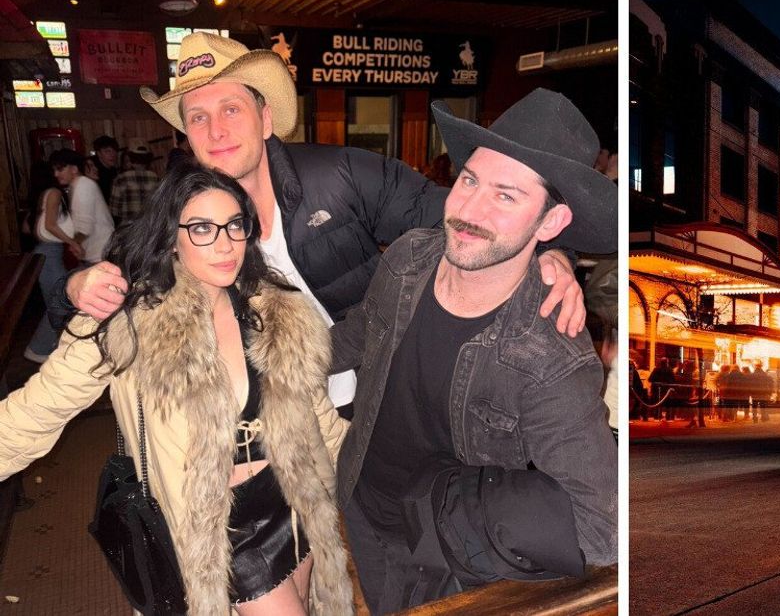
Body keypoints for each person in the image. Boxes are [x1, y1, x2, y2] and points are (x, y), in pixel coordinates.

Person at [66, 32, 584, 417]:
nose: (216, 130)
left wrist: (550, 254)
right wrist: (75, 285)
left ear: (266, 119)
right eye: (197, 117)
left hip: (372, 390)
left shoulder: (343, 174)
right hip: (272, 408)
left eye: (231, 109)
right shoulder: (178, 210)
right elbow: (115, 273)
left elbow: (462, 215)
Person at [0, 164, 351, 614]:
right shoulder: (130, 322)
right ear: (170, 236)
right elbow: (38, 410)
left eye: (235, 225)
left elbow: (317, 415)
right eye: (202, 228)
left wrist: (373, 477)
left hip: (293, 502)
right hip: (222, 527)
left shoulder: (274, 309)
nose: (225, 244)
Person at [332, 88, 617, 613]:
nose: (467, 209)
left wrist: (462, 509)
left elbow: (601, 529)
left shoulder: (550, 356)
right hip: (359, 504)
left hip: (445, 560)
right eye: (468, 180)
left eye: (505, 196)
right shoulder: (409, 259)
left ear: (551, 223)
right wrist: (253, 358)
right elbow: (355, 337)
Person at [23, 161, 84, 363]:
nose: (58, 173)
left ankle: (47, 347)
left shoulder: (42, 195)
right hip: (50, 254)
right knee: (61, 303)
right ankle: (38, 348)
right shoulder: (54, 193)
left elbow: (27, 228)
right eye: (56, 170)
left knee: (58, 302)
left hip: (45, 252)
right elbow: (49, 225)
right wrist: (72, 242)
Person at [49, 149, 114, 265]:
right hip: (99, 252)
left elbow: (84, 227)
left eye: (60, 169)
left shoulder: (83, 185)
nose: (56, 174)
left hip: (100, 254)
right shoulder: (78, 184)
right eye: (54, 170)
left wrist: (74, 244)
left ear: (74, 169)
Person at [109, 146, 161, 227]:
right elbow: (160, 205)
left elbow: (114, 210)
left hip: (129, 227)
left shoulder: (120, 179)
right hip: (150, 226)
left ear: (131, 160)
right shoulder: (156, 178)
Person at [90, 134, 121, 201]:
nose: (112, 154)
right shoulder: (95, 172)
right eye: (107, 151)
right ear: (99, 153)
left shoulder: (113, 170)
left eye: (114, 150)